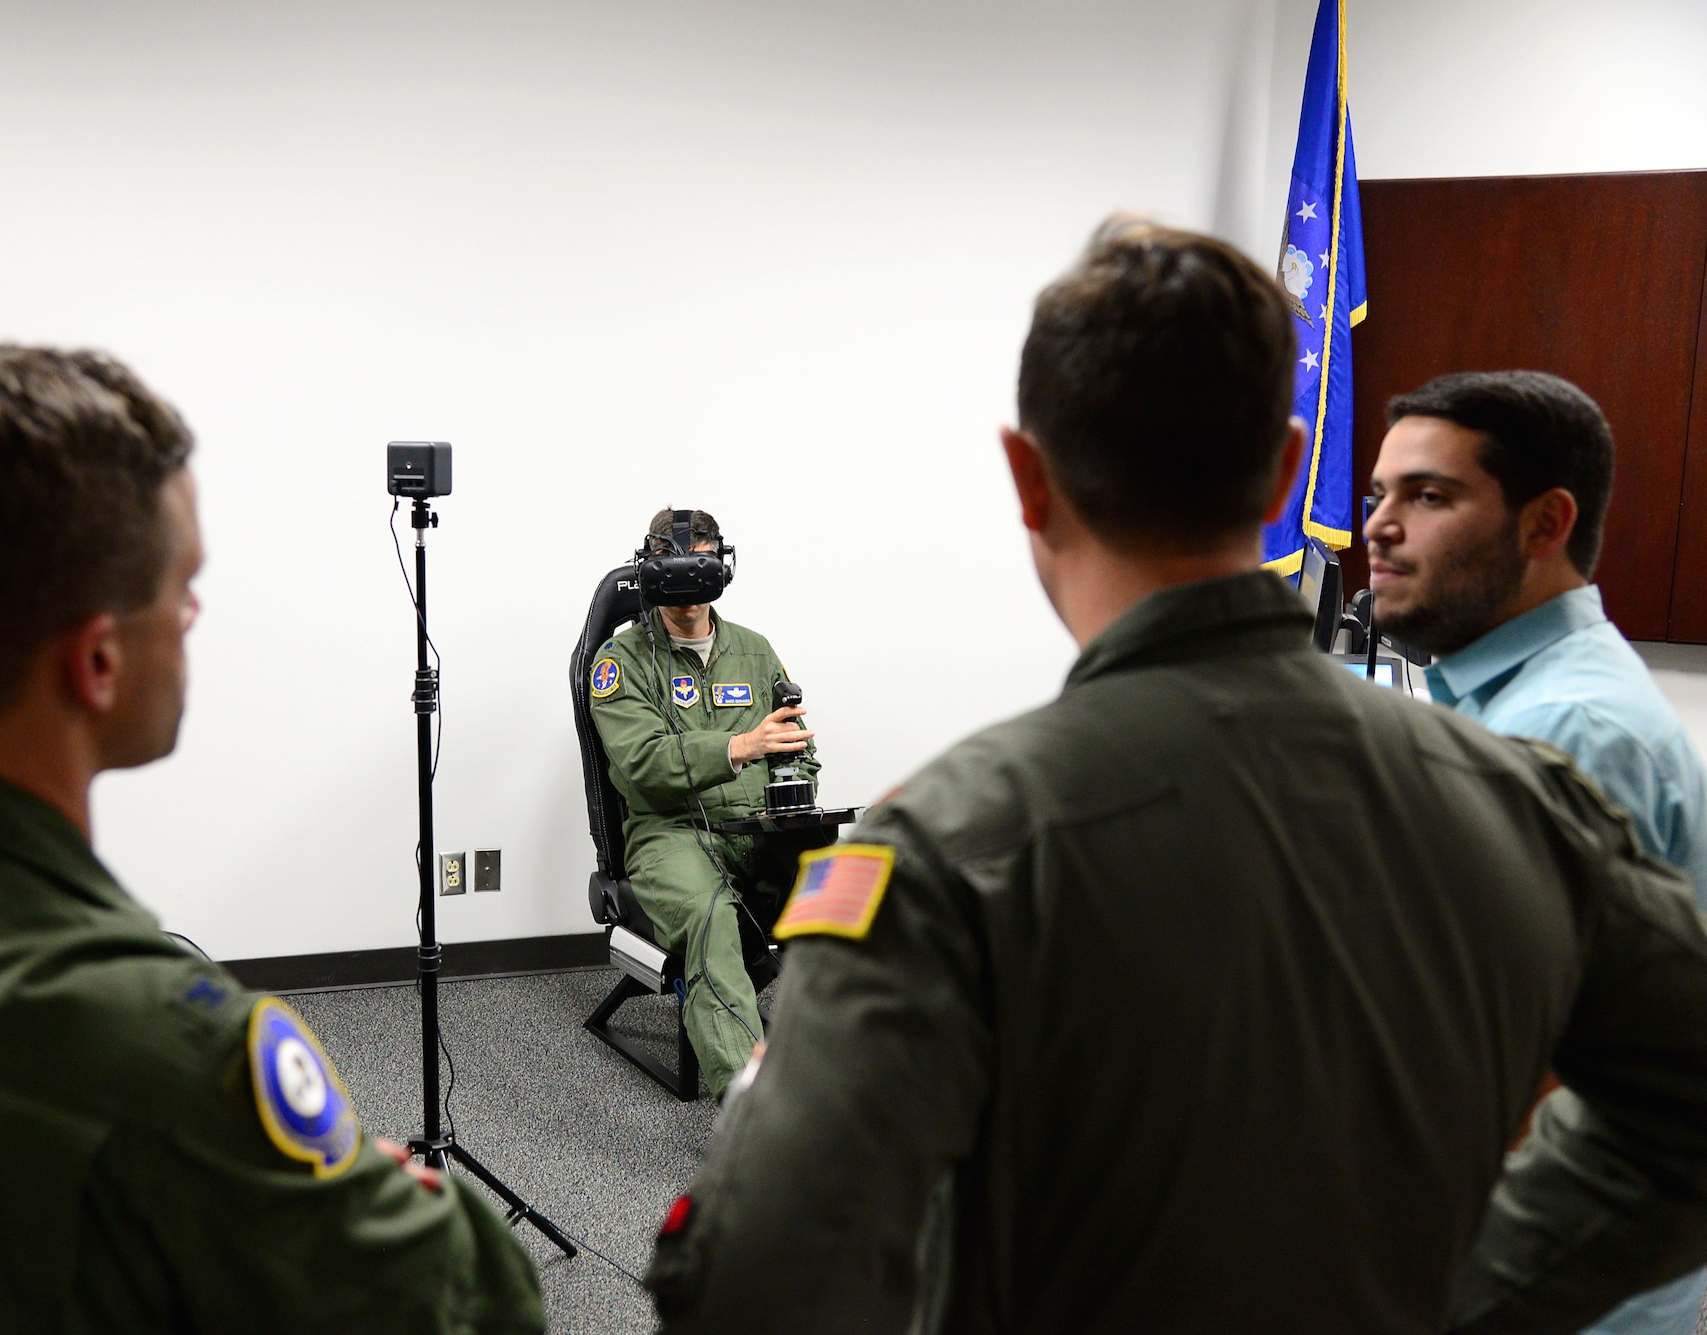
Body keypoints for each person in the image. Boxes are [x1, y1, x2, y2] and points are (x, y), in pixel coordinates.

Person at [646, 220, 1707, 1333]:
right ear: (1290, 469)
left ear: (1026, 477)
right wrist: (1468, 1296)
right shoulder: (1521, 796)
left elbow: (759, 1283)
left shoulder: (944, 848)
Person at [0, 347, 545, 1333]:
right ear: (99, 660)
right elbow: (477, 1305)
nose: (192, 616)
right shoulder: (154, 1039)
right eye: (180, 585)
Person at [1367, 370, 1707, 1335]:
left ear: (1544, 524)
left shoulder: (1566, 726)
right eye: (1378, 495)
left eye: (1429, 496)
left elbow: (1524, 1070)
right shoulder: (1516, 698)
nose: (1381, 526)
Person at [587, 507, 817, 1099]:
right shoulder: (622, 661)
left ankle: (863, 1072)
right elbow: (641, 765)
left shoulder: (755, 651)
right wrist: (742, 746)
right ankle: (749, 1107)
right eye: (677, 568)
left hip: (758, 829)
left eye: (702, 566)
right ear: (652, 567)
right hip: (671, 836)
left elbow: (800, 749)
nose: (689, 588)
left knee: (854, 892)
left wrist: (796, 790)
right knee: (712, 914)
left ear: (720, 568)